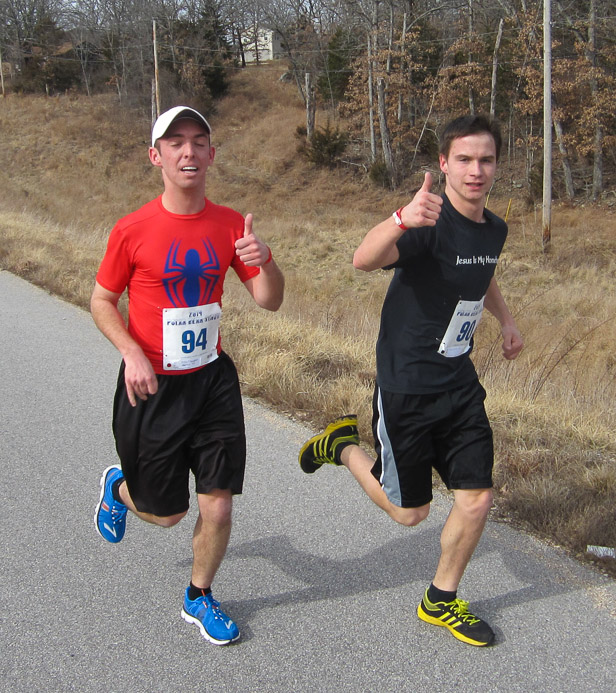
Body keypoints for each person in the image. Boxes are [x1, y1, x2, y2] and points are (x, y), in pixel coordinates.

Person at [299, 115, 523, 647]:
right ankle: (342, 446)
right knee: (409, 513)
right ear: (444, 164)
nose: (475, 170)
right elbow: (363, 259)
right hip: (407, 386)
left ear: (496, 166)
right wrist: (401, 218)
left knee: (477, 498)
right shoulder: (425, 224)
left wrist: (506, 320)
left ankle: (440, 600)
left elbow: (482, 271)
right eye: (464, 159)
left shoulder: (494, 228)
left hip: (459, 384)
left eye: (486, 160)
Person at [92, 105, 284, 646]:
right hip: (152, 383)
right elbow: (102, 300)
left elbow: (269, 300)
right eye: (175, 143)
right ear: (156, 157)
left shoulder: (230, 224)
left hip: (212, 381)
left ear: (211, 155)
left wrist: (267, 259)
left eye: (199, 141)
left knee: (218, 504)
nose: (189, 151)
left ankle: (198, 596)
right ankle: (119, 487)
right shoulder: (131, 229)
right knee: (168, 514)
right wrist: (130, 351)